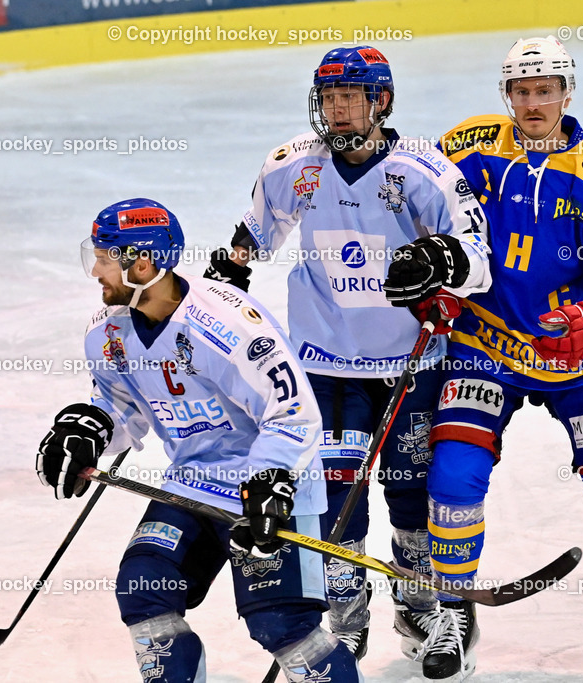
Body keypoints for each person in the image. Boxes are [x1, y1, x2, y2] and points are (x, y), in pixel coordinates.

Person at [389, 36, 583, 681]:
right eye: (522, 91)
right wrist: (430, 288)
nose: (534, 102)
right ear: (506, 94)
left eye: (546, 89)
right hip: (486, 346)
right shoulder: (466, 147)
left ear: (567, 92)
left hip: (582, 360)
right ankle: (452, 612)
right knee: (451, 476)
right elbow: (422, 223)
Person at [204, 46, 491, 666]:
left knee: (412, 492)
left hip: (409, 363)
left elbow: (477, 258)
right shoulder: (292, 167)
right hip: (325, 361)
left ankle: (420, 606)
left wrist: (443, 259)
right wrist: (227, 277)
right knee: (336, 495)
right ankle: (345, 611)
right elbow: (252, 235)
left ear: (379, 102)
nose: (334, 110)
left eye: (348, 98)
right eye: (327, 98)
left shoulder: (424, 171)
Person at [35, 198, 363, 683]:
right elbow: (123, 406)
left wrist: (269, 481)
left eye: (104, 259)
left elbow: (292, 410)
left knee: (285, 626)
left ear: (140, 263)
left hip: (269, 488)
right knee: (144, 590)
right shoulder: (109, 332)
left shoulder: (227, 323)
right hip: (192, 484)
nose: (96, 272)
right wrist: (90, 428)